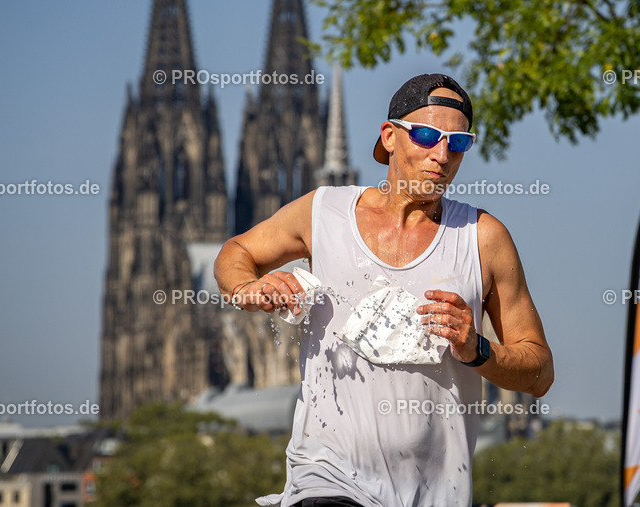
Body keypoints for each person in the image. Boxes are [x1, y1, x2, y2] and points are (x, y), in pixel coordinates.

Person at [214, 73, 553, 507]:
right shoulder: (324, 212)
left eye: (459, 142)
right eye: (428, 136)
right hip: (327, 477)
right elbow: (236, 250)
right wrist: (249, 286)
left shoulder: (482, 238)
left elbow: (540, 372)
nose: (443, 154)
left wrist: (477, 349)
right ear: (389, 136)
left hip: (436, 493)